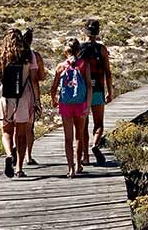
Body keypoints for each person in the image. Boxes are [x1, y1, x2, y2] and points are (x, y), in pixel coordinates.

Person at [0, 29, 40, 178]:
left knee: (6, 132)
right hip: (24, 98)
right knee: (22, 134)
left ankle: (9, 154)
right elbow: (34, 80)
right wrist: (37, 100)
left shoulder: (2, 55)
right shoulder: (28, 55)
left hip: (6, 97)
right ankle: (19, 168)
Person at [50, 38, 93, 178]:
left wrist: (53, 99)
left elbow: (53, 87)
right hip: (80, 104)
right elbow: (89, 86)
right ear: (78, 50)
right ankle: (79, 163)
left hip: (66, 104)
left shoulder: (60, 66)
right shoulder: (83, 65)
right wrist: (88, 105)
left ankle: (71, 169)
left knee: (68, 138)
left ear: (65, 51)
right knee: (79, 136)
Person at [79, 19, 115, 165]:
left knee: (83, 125)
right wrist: (110, 91)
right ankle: (95, 144)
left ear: (84, 31)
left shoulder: (79, 48)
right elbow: (108, 71)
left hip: (82, 91)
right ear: (97, 32)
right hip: (98, 89)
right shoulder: (102, 49)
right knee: (98, 123)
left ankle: (85, 157)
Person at [22, 28, 46, 166]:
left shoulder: (11, 54)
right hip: (29, 93)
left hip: (12, 95)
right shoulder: (33, 55)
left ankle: (15, 154)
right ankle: (28, 156)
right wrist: (38, 100)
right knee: (29, 127)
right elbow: (38, 78)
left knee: (16, 126)